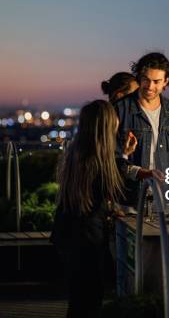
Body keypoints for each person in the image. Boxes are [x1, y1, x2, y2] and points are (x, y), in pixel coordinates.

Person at [50, 100, 136, 317]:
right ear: (106, 124)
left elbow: (91, 194)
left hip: (68, 234)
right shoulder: (98, 159)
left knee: (79, 299)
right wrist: (124, 158)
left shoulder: (77, 152)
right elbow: (121, 192)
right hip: (86, 239)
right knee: (90, 299)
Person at [113, 52, 169, 203]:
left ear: (166, 81)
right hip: (130, 201)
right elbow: (111, 159)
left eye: (156, 81)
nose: (150, 86)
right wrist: (143, 173)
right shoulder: (120, 109)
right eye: (146, 80)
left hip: (166, 201)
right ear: (139, 78)